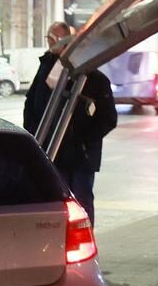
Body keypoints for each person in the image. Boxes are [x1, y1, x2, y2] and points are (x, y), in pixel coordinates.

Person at [23, 22, 118, 223]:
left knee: (81, 204)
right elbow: (32, 105)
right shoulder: (45, 72)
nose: (52, 44)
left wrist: (83, 141)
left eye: (57, 40)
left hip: (80, 158)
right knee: (55, 205)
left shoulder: (93, 77)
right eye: (50, 39)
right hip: (51, 153)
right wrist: (34, 136)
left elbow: (108, 118)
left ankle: (83, 247)